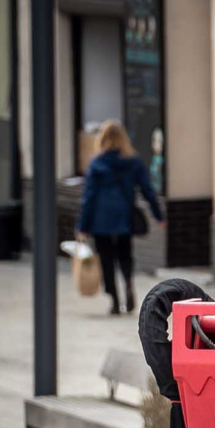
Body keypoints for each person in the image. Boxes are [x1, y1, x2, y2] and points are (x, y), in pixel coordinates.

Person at [77, 119, 164, 315]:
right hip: (124, 216)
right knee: (125, 255)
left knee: (106, 259)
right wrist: (158, 215)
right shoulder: (133, 162)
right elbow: (147, 190)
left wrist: (82, 225)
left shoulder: (97, 163)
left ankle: (115, 300)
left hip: (100, 219)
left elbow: (89, 197)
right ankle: (128, 285)